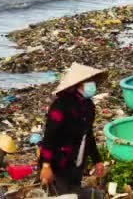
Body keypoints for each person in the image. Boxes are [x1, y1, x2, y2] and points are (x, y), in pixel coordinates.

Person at [39, 63, 105, 199]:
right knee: (62, 195)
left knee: (74, 190)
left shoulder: (89, 106)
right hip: (58, 163)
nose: (92, 85)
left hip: (77, 161)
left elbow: (89, 134)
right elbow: (50, 136)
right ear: (79, 84)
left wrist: (97, 160)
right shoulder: (61, 105)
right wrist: (46, 165)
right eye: (89, 82)